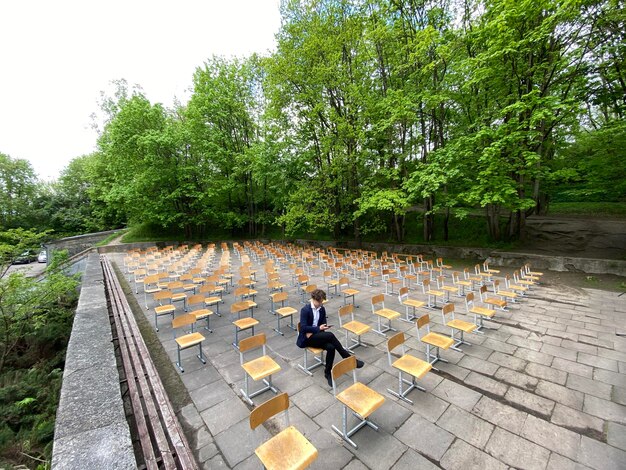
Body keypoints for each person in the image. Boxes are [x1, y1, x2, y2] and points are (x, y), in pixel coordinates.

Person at [296, 288, 364, 386]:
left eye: (321, 301)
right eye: (318, 301)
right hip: (307, 339)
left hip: (317, 335)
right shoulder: (305, 310)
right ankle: (347, 357)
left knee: (331, 347)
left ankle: (328, 373)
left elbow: (323, 323)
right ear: (313, 299)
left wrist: (320, 328)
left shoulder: (322, 309)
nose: (320, 303)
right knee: (331, 335)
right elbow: (303, 328)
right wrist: (317, 329)